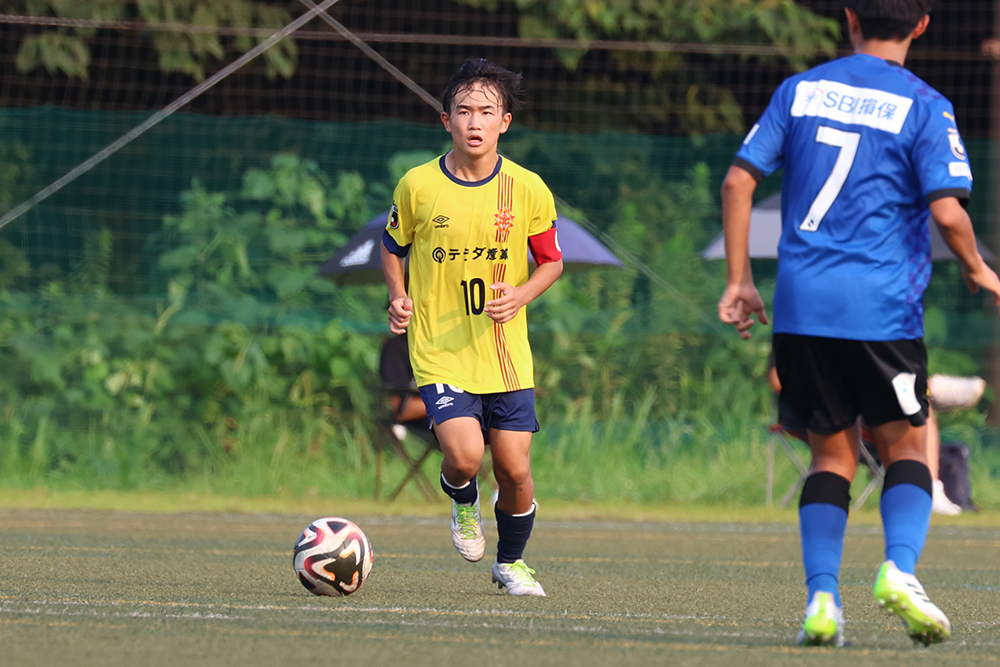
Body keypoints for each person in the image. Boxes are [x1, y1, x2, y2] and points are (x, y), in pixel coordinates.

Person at [718, 0, 1000, 647]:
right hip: (881, 308)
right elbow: (949, 214)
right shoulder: (925, 104)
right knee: (909, 448)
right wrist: (978, 269)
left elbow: (737, 183)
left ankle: (822, 601)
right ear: (921, 25)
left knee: (830, 456)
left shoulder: (800, 90)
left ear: (849, 18)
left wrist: (739, 281)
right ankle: (899, 570)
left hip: (801, 307)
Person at [381, 58, 563, 596]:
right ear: (446, 120)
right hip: (440, 349)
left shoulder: (527, 188)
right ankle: (463, 499)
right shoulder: (417, 185)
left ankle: (511, 563)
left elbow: (551, 261)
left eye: (487, 111)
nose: (474, 121)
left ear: (505, 122)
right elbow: (391, 247)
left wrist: (521, 294)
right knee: (464, 457)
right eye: (464, 111)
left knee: (514, 470)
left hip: (506, 354)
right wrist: (398, 296)